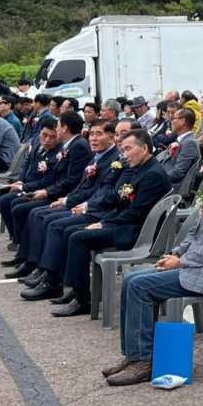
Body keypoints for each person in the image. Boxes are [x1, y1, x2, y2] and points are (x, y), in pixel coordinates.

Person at [103, 127, 203, 385]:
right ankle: (135, 354)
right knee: (132, 279)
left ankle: (143, 360)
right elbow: (197, 229)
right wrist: (175, 252)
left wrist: (182, 261)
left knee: (140, 285)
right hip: (198, 263)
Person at [54, 129, 172, 317]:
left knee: (78, 237)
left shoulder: (152, 174)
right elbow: (120, 203)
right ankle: (75, 290)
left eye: (128, 149)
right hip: (127, 224)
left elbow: (135, 213)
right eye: (122, 150)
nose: (124, 155)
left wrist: (104, 224)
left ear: (144, 149)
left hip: (138, 232)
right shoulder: (138, 169)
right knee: (71, 232)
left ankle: (83, 299)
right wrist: (105, 221)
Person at [17, 120, 122, 302]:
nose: (94, 138)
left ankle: (54, 281)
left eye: (99, 134)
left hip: (99, 211)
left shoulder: (114, 160)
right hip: (88, 205)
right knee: (43, 216)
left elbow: (100, 192)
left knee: (56, 225)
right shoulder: (98, 156)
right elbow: (84, 185)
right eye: (92, 134)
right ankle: (46, 271)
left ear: (112, 137)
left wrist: (76, 203)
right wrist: (68, 200)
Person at [6, 112, 92, 274]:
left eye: (59, 125)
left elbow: (71, 180)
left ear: (64, 128)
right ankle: (27, 258)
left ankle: (37, 264)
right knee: (25, 208)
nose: (57, 129)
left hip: (66, 195)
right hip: (60, 192)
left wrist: (47, 192)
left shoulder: (78, 146)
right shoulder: (71, 145)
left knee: (34, 212)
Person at [0, 120, 63, 260]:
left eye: (52, 137)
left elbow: (48, 181)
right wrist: (20, 181)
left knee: (13, 203)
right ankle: (15, 235)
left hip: (41, 189)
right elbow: (26, 164)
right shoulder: (37, 143)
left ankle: (20, 241)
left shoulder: (58, 154)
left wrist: (22, 187)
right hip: (27, 183)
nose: (47, 140)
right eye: (44, 135)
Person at [157, 107, 201, 188]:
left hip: (172, 188)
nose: (171, 121)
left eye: (173, 118)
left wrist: (156, 179)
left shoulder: (189, 143)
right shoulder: (183, 140)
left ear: (182, 121)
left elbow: (178, 172)